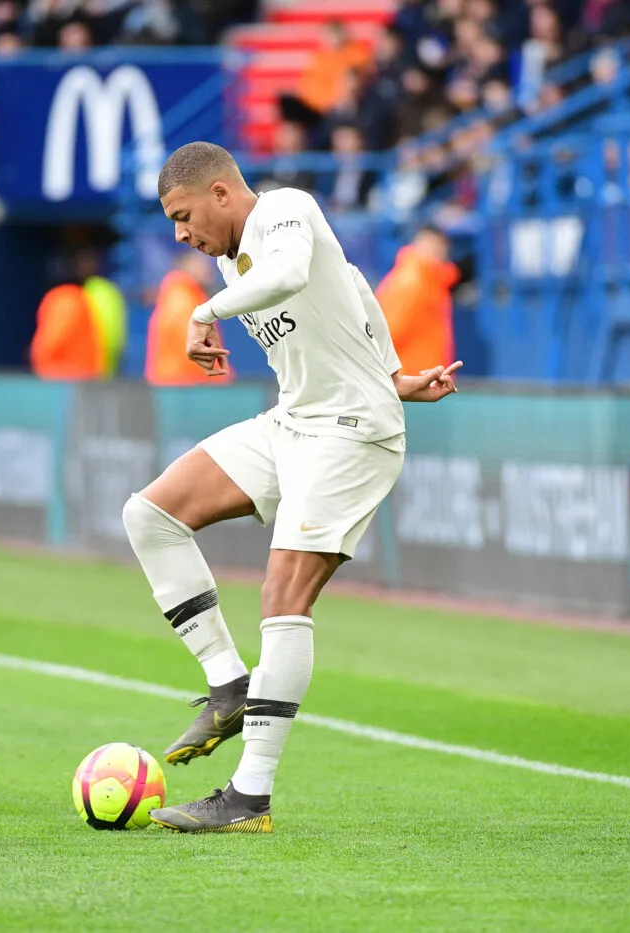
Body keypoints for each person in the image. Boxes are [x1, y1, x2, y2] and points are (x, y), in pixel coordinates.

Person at [126, 142, 460, 833]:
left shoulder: (286, 209)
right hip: (295, 421)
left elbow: (292, 273)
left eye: (185, 216)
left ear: (222, 192)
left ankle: (249, 797)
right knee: (151, 513)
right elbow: (354, 288)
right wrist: (396, 372)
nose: (181, 236)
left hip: (350, 433)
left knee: (282, 596)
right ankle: (229, 683)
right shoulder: (227, 258)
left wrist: (204, 313)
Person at [376, 226, 459, 378]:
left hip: (427, 378)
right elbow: (389, 333)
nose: (439, 251)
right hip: (412, 379)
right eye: (433, 245)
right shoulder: (410, 282)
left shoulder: (431, 281)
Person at [146, 250, 233, 386]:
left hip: (179, 384)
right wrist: (220, 378)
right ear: (187, 267)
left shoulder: (183, 297)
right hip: (185, 386)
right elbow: (195, 350)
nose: (207, 268)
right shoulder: (183, 301)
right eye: (199, 263)